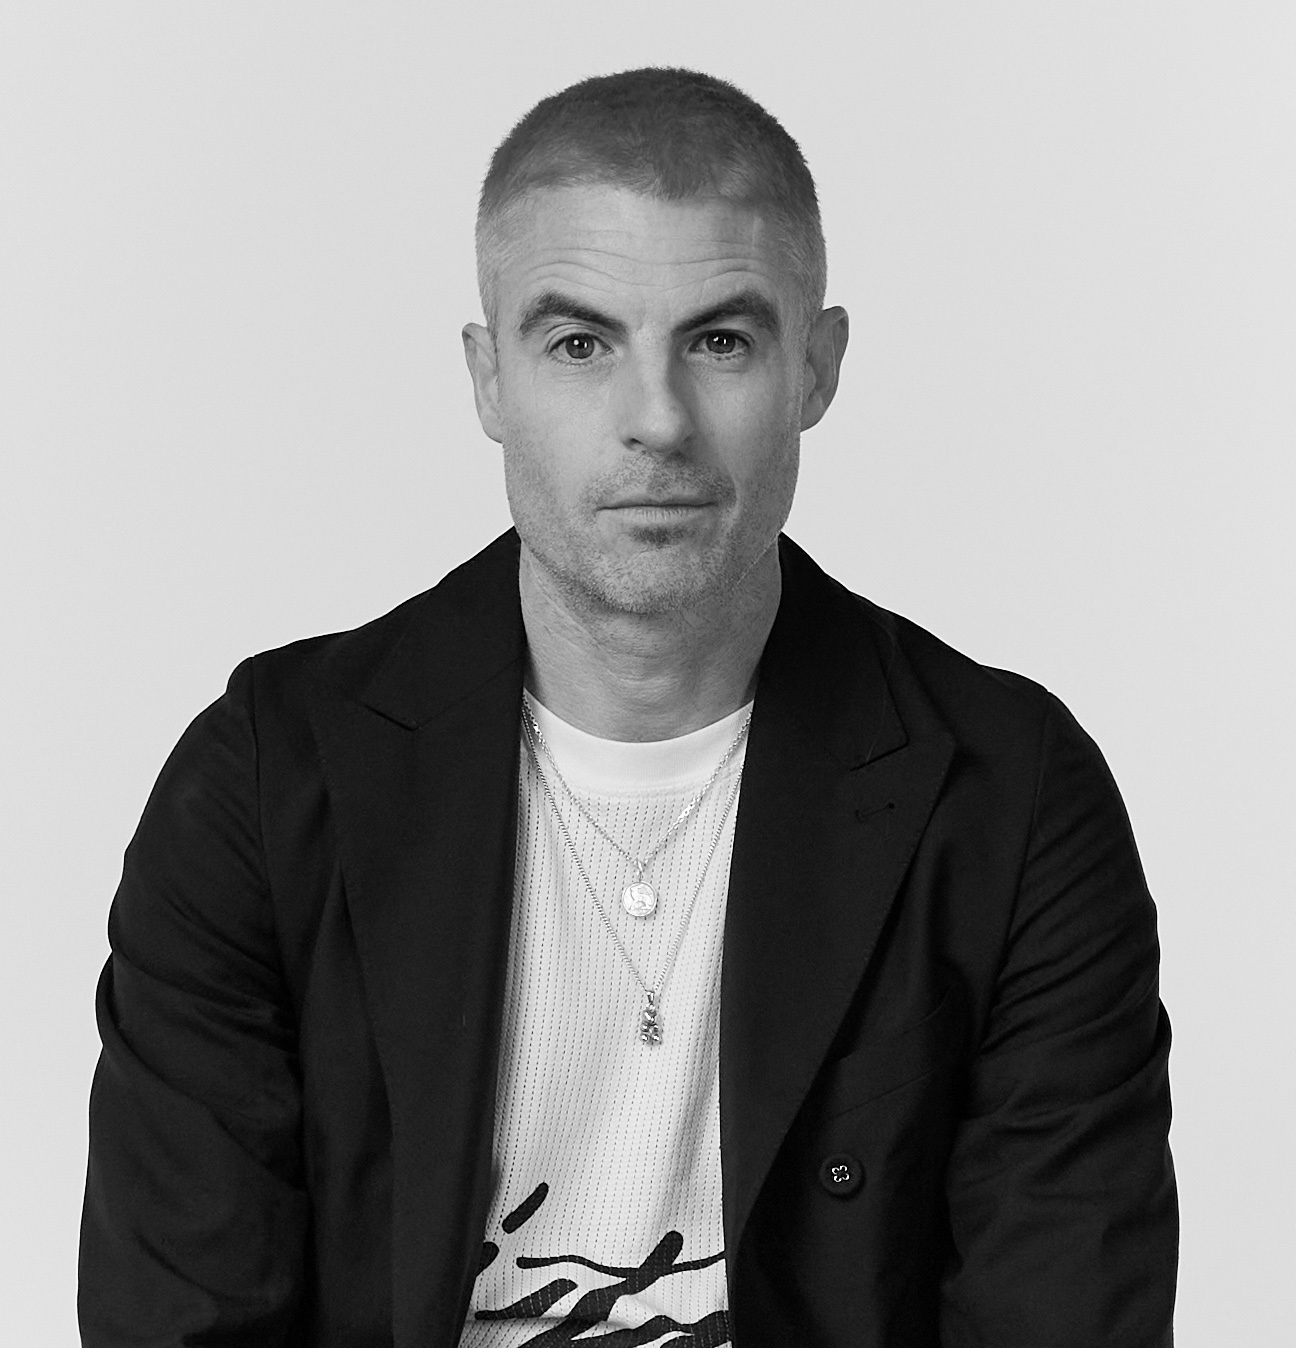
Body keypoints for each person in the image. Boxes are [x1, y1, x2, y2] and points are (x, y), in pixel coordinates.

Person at [79, 67, 1177, 1347]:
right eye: (579, 345)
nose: (656, 420)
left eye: (720, 342)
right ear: (489, 381)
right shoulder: (269, 784)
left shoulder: (1009, 796)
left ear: (818, 368)